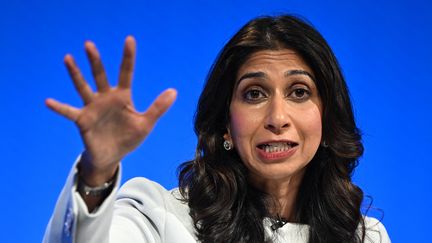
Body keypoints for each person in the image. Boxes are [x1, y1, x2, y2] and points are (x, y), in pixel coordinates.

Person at [43, 15, 390, 243]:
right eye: (254, 94)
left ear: (328, 121)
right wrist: (97, 171)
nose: (277, 117)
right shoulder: (159, 216)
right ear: (226, 125)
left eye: (299, 92)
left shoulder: (366, 237)